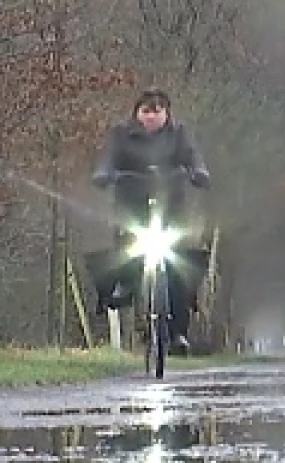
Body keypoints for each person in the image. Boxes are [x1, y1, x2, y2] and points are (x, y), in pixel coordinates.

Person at [90, 88, 213, 354]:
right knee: (127, 245)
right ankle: (125, 283)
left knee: (179, 263)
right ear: (137, 113)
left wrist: (198, 172)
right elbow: (107, 160)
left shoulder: (179, 135)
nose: (151, 116)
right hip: (132, 203)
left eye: (157, 111)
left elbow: (193, 157)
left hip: (171, 206)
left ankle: (178, 331)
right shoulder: (121, 135)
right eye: (146, 111)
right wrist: (104, 174)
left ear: (167, 114)